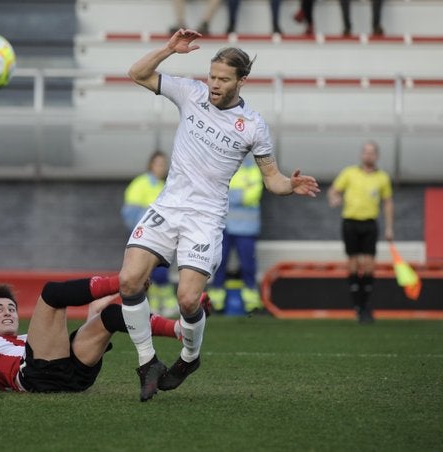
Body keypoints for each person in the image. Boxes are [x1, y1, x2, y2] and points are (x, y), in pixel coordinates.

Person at [122, 31, 320, 402]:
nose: (214, 84)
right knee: (130, 280)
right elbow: (137, 73)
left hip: (205, 218)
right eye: (212, 76)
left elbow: (272, 180)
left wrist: (290, 186)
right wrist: (168, 49)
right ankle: (147, 362)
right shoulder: (191, 93)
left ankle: (189, 358)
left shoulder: (254, 126)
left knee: (187, 301)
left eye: (223, 79)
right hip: (169, 206)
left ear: (241, 81)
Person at [0, 275, 181, 392]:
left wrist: (93, 319)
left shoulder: (30, 339)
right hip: (37, 377)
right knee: (51, 292)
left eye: (11, 308)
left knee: (110, 315)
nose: (7, 312)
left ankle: (177, 329)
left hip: (75, 378)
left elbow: (63, 347)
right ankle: (122, 282)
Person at [328, 141, 393, 324]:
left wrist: (389, 228)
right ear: (361, 155)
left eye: (372, 153)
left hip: (370, 224)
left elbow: (388, 203)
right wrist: (334, 198)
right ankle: (358, 308)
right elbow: (334, 191)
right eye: (366, 152)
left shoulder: (383, 178)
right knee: (354, 264)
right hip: (350, 223)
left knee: (370, 265)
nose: (368, 155)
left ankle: (366, 306)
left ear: (377, 156)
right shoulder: (350, 173)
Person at [206, 154, 265, 314]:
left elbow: (254, 194)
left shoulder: (253, 170)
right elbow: (214, 192)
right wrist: (240, 194)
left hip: (247, 228)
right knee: (218, 262)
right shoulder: (224, 165)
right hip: (223, 226)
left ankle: (251, 300)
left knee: (248, 264)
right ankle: (215, 300)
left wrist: (230, 194)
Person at [121, 151, 176, 316]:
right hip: (147, 238)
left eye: (164, 164)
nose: (162, 167)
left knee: (156, 273)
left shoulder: (163, 186)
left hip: (162, 238)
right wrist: (139, 235)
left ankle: (160, 305)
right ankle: (160, 304)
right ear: (151, 165)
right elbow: (129, 213)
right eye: (159, 164)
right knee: (152, 273)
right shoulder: (140, 184)